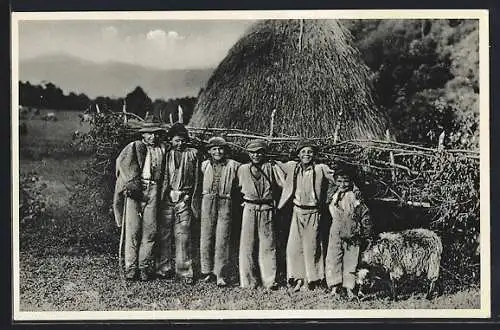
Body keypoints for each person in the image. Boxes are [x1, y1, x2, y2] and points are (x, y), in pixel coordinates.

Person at [276, 140, 335, 292]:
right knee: (294, 247)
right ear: (298, 155)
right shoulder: (293, 167)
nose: (306, 155)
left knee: (312, 247)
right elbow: (275, 165)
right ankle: (297, 278)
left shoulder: (321, 168)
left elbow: (337, 180)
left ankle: (313, 279)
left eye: (309, 152)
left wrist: (329, 198)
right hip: (297, 211)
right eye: (303, 152)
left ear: (314, 155)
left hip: (313, 211)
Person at [113, 124, 168, 281]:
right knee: (133, 229)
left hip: (154, 188)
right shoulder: (135, 147)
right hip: (137, 188)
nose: (153, 137)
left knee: (150, 230)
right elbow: (122, 164)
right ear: (143, 135)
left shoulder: (162, 149)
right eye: (149, 134)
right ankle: (131, 267)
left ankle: (143, 267)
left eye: (156, 134)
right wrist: (131, 183)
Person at [237, 139, 286, 290]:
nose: (256, 155)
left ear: (264, 153)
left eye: (259, 152)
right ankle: (248, 281)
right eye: (252, 152)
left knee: (267, 245)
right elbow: (237, 187)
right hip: (249, 207)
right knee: (246, 245)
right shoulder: (242, 168)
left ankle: (269, 281)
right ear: (248, 154)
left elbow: (284, 184)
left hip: (266, 208)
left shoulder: (271, 167)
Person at [156, 123, 202, 284]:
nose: (180, 144)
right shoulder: (167, 154)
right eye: (176, 140)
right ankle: (163, 268)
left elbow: (198, 178)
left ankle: (185, 271)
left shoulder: (193, 154)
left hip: (185, 198)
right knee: (164, 235)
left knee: (183, 235)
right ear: (171, 141)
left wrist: (191, 196)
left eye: (182, 140)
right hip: (168, 198)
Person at [324, 167, 373, 299]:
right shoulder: (333, 195)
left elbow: (364, 214)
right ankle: (335, 287)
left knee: (351, 260)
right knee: (334, 257)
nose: (342, 184)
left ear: (351, 182)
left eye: (346, 181)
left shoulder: (355, 196)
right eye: (339, 181)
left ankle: (349, 288)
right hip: (336, 229)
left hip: (352, 230)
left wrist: (365, 232)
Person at [199, 137, 241, 287]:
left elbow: (243, 179)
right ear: (209, 151)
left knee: (222, 238)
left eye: (220, 149)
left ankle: (220, 274)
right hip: (207, 200)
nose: (218, 152)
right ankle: (207, 271)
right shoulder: (204, 165)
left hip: (225, 200)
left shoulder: (233, 165)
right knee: (206, 235)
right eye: (214, 149)